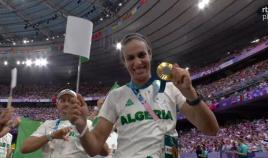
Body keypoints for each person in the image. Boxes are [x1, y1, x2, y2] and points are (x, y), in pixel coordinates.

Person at [66, 33, 219, 158]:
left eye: (141, 55)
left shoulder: (171, 88)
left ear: (149, 55)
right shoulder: (115, 96)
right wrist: (82, 126)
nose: (137, 62)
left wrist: (190, 92)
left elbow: (211, 130)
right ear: (124, 62)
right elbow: (94, 148)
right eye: (130, 58)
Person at [21, 89, 109, 158]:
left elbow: (105, 151)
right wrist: (52, 136)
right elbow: (25, 148)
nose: (66, 104)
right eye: (62, 100)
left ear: (77, 104)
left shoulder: (87, 123)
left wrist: (83, 128)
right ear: (57, 105)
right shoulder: (47, 124)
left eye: (71, 101)